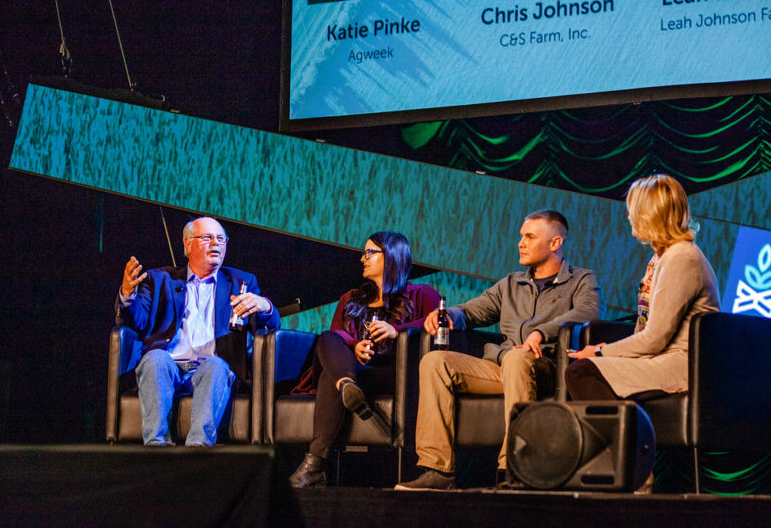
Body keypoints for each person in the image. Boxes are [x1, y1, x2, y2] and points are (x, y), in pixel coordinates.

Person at [395, 210, 603, 490]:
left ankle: (515, 469)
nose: (521, 243)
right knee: (435, 361)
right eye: (521, 236)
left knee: (518, 357)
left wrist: (542, 332)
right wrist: (448, 314)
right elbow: (473, 310)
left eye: (530, 237)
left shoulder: (581, 279)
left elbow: (589, 311)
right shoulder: (510, 283)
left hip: (546, 365)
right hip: (503, 364)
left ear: (555, 243)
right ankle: (438, 470)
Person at [289, 231, 441, 488]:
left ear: (391, 257)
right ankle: (347, 386)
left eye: (370, 253)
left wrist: (397, 331)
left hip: (395, 374)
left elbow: (439, 322)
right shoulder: (350, 298)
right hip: (355, 372)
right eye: (364, 253)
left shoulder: (421, 294)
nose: (363, 259)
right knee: (328, 338)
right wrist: (353, 346)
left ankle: (314, 465)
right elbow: (335, 337)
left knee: (331, 378)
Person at [115, 217, 280, 446]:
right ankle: (155, 447)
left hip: (210, 368)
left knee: (216, 365)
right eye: (207, 238)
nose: (216, 243)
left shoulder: (240, 281)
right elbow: (135, 322)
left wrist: (265, 306)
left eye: (221, 239)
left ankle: (197, 450)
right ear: (188, 244)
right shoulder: (160, 279)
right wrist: (127, 294)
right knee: (155, 359)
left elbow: (268, 327)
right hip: (168, 366)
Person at [565, 175, 719, 402]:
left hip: (680, 365)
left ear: (649, 214)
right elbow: (644, 329)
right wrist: (611, 350)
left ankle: (625, 437)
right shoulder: (662, 257)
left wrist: (600, 352)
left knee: (583, 371)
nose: (629, 216)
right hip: (659, 358)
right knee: (587, 367)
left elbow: (655, 338)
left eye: (633, 210)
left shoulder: (681, 258)